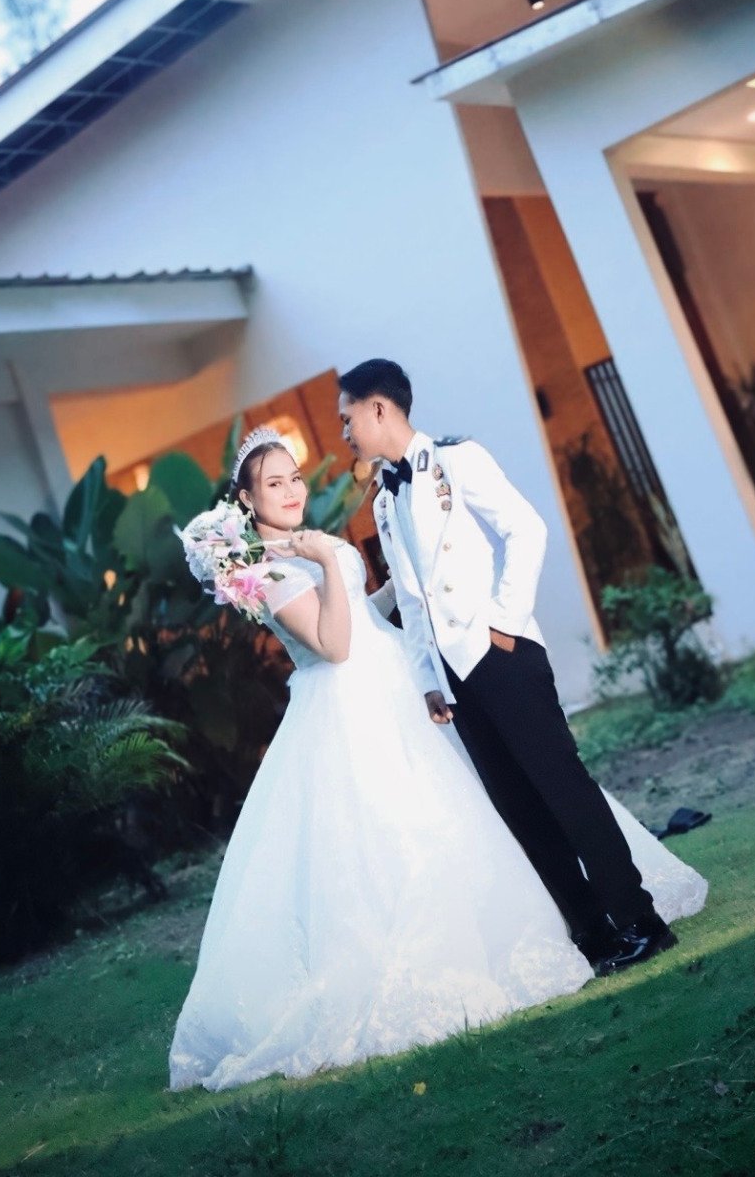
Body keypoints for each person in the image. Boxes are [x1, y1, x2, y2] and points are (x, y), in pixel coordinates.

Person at [167, 426, 705, 1093]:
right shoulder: (267, 570)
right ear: (247, 500)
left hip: (398, 677)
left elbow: (360, 618)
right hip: (352, 709)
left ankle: (594, 911)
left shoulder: (301, 548)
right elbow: (335, 646)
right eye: (274, 484)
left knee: (496, 798)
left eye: (295, 478)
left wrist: (403, 587)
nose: (292, 491)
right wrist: (331, 558)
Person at [338, 357, 698, 976]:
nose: (344, 432)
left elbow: (526, 530)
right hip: (453, 678)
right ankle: (594, 934)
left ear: (379, 408)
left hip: (503, 657)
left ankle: (641, 922)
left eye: (348, 418)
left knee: (565, 791)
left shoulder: (458, 460)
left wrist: (504, 622)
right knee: (520, 810)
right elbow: (414, 600)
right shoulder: (384, 504)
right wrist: (428, 679)